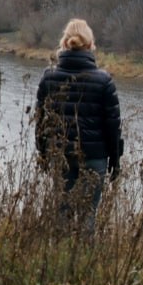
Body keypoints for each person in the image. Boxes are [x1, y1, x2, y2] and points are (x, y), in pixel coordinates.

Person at [34, 18, 122, 233]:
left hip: (60, 155)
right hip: (95, 157)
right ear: (91, 45)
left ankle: (60, 251)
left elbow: (40, 121)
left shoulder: (49, 77)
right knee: (87, 215)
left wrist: (43, 153)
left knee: (61, 213)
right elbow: (113, 126)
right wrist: (115, 160)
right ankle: (84, 251)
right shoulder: (104, 81)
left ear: (64, 43)